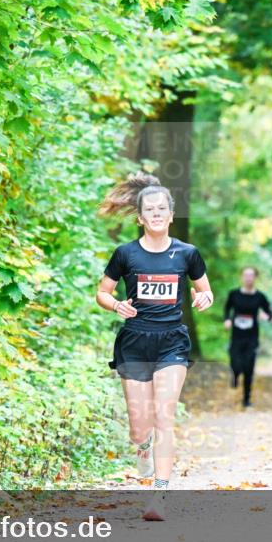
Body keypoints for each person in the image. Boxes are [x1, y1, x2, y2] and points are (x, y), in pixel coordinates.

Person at [96, 172, 213, 521]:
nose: (157, 213)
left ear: (171, 215)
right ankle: (142, 448)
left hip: (171, 342)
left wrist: (204, 297)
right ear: (140, 217)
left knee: (164, 416)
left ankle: (159, 495)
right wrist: (116, 305)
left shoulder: (187, 254)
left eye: (163, 208)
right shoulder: (125, 254)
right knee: (139, 425)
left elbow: (205, 289)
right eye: (151, 209)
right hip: (134, 342)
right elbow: (102, 292)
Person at [223, 267, 272, 408]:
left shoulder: (260, 297)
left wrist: (266, 316)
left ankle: (246, 399)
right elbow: (227, 309)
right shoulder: (234, 294)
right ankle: (235, 375)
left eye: (251, 275)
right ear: (242, 277)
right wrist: (227, 320)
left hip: (252, 338)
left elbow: (270, 313)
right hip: (237, 337)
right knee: (236, 363)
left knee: (249, 366)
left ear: (255, 278)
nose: (249, 278)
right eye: (246, 275)